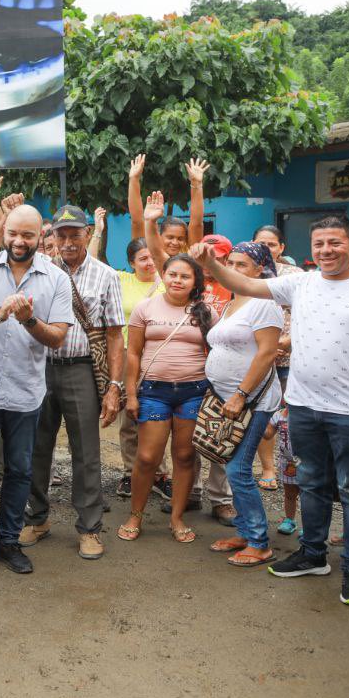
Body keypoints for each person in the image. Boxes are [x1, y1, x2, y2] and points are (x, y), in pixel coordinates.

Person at [193, 214, 349, 607]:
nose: (327, 251)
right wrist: (210, 263)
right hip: (304, 405)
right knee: (311, 483)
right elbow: (243, 283)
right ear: (311, 250)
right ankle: (313, 554)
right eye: (319, 244)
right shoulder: (300, 283)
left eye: (335, 243)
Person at [0, 205, 72, 577]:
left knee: (20, 469)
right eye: (13, 234)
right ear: (4, 233)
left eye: (28, 235)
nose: (19, 242)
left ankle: (8, 542)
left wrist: (28, 320)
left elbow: (57, 337)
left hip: (26, 390)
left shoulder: (56, 279)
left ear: (42, 238)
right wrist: (0, 315)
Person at [22, 206, 125, 561]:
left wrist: (114, 386)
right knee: (37, 446)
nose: (67, 242)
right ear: (52, 238)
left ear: (87, 235)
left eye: (74, 234)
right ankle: (36, 518)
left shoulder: (106, 275)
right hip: (39, 367)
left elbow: (114, 336)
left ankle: (90, 527)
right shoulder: (41, 272)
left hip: (81, 369)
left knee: (86, 451)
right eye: (60, 235)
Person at [145, 192, 235, 526]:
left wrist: (196, 188)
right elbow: (158, 247)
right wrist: (150, 220)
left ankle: (222, 499)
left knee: (219, 434)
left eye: (219, 255)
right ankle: (192, 493)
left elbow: (195, 227)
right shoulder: (187, 282)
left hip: (223, 371)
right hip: (193, 374)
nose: (212, 259)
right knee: (187, 443)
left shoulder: (232, 284)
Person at [118, 254, 213, 545]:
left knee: (185, 457)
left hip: (193, 391)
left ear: (195, 281)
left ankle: (176, 517)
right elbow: (133, 353)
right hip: (154, 392)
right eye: (173, 274)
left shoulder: (205, 312)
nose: (177, 280)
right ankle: (136, 514)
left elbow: (216, 352)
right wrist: (131, 394)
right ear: (164, 275)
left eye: (185, 276)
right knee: (147, 458)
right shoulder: (145, 308)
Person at [202, 241, 284, 567]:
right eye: (230, 263)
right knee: (231, 465)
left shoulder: (264, 302)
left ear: (259, 270)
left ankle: (260, 542)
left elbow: (266, 352)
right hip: (227, 398)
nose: (233, 270)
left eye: (242, 265)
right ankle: (245, 532)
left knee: (238, 469)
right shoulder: (231, 303)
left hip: (252, 400)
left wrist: (240, 394)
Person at [110, 237, 168, 499]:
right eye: (142, 258)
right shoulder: (121, 281)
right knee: (129, 415)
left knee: (159, 414)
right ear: (131, 263)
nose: (149, 263)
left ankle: (160, 473)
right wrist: (98, 230)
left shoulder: (167, 282)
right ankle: (129, 472)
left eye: (152, 257)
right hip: (126, 353)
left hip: (159, 354)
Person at [253, 224, 300, 492]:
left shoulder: (294, 275)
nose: (267, 249)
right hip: (260, 356)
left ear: (281, 247)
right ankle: (268, 467)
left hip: (288, 358)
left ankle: (292, 468)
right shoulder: (250, 272)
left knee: (288, 415)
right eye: (261, 243)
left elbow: (304, 313)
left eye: (272, 244)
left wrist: (287, 342)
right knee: (263, 413)